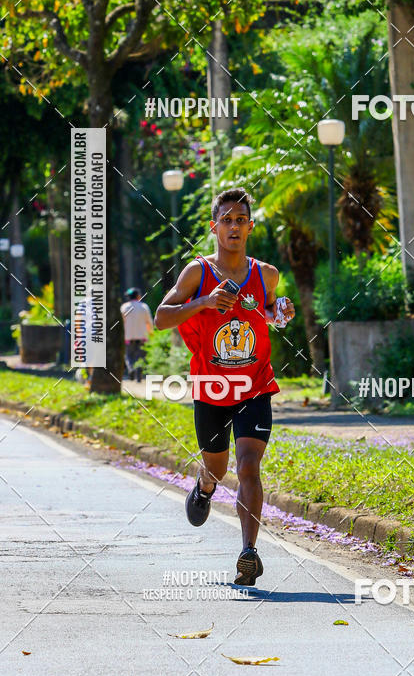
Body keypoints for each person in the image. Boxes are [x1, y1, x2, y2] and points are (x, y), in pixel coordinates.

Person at [154, 187, 294, 586]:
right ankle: (204, 486)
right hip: (212, 388)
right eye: (227, 220)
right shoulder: (197, 273)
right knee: (216, 468)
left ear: (250, 227)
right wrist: (203, 303)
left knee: (248, 465)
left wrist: (280, 312)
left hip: (255, 386)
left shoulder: (266, 274)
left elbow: (269, 313)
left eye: (241, 220)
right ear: (214, 227)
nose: (234, 226)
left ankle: (248, 553)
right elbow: (161, 317)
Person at [120, 288, 153, 382]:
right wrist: (151, 333)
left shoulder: (124, 307)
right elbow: (149, 322)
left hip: (128, 337)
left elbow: (122, 323)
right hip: (142, 336)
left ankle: (131, 369)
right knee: (141, 356)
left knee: (128, 356)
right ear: (138, 296)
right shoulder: (144, 307)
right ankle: (138, 375)